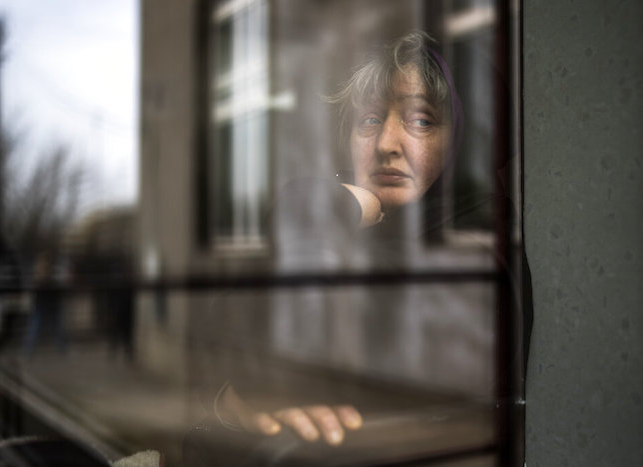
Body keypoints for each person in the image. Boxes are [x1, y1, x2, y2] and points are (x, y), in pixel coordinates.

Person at [185, 31, 467, 458]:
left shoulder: (476, 247)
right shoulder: (331, 240)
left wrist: (321, 200)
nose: (388, 144)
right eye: (369, 120)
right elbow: (216, 327)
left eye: (421, 120)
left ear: (454, 145)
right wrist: (231, 403)